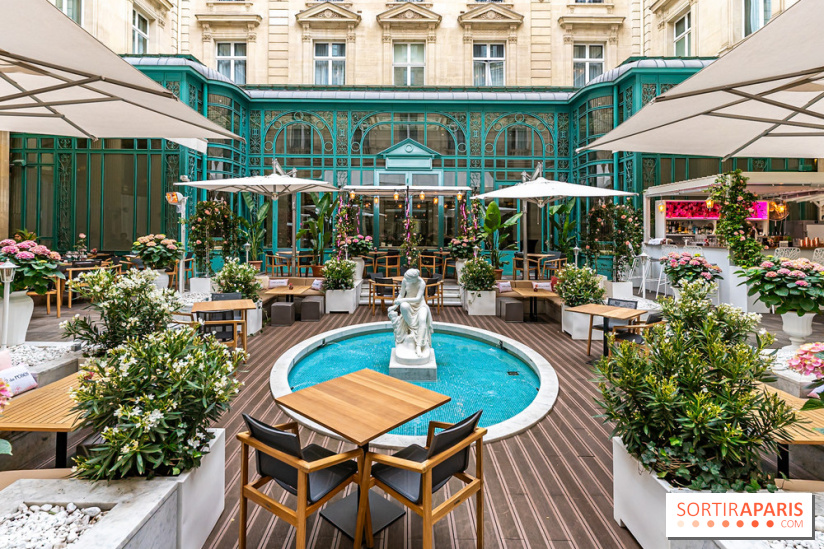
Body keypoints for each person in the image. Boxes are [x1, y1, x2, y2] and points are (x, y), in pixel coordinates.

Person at [387, 268, 432, 357]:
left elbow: (417, 299)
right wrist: (395, 306)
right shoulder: (405, 280)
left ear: (415, 278)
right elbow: (401, 294)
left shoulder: (421, 283)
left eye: (409, 279)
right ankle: (412, 331)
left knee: (422, 319)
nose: (406, 280)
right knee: (403, 306)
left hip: (420, 305)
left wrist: (402, 300)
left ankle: (419, 346)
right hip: (408, 304)